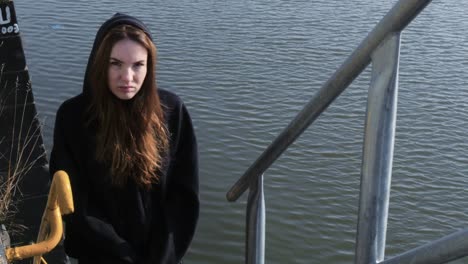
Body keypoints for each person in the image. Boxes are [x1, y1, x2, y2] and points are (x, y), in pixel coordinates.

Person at [49, 13, 199, 264]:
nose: (127, 77)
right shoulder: (73, 117)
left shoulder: (171, 112)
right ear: (99, 64)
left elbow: (183, 195)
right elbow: (77, 203)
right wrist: (122, 254)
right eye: (115, 64)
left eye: (138, 65)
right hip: (99, 256)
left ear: (149, 67)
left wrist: (161, 256)